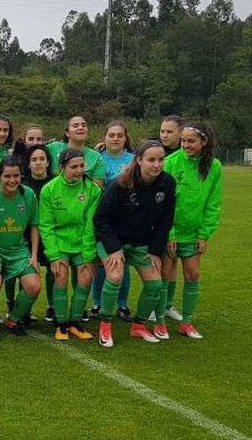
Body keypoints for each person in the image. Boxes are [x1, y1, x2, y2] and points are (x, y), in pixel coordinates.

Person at [94, 140, 176, 348]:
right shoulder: (121, 184)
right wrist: (113, 249)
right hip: (114, 240)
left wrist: (156, 251)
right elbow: (101, 219)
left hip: (142, 243)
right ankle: (105, 323)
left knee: (155, 284)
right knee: (115, 276)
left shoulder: (167, 183)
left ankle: (138, 326)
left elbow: (165, 220)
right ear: (138, 160)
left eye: (160, 160)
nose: (156, 165)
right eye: (151, 160)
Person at [160, 125, 222, 339]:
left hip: (195, 233)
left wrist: (204, 234)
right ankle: (160, 320)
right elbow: (165, 204)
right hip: (171, 232)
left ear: (204, 142)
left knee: (193, 275)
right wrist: (170, 233)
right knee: (166, 274)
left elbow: (213, 203)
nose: (185, 145)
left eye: (191, 141)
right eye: (183, 140)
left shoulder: (214, 167)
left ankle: (187, 322)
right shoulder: (170, 163)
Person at [38, 149, 101, 341]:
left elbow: (91, 225)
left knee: (85, 280)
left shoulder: (93, 190)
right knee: (61, 278)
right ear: (62, 167)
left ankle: (75, 323)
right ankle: (61, 324)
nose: (79, 170)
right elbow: (46, 225)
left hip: (83, 244)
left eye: (82, 166)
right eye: (74, 167)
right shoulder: (49, 189)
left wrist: (89, 255)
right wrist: (54, 255)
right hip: (59, 244)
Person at [0, 155, 41, 339]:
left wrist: (34, 256)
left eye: (16, 176)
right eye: (7, 176)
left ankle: (14, 319)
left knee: (34, 286)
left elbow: (34, 226)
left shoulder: (28, 195)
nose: (12, 180)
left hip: (19, 250)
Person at [91, 121, 135, 322]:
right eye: (112, 135)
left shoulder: (134, 160)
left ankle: (122, 304)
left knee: (122, 263)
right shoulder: (97, 159)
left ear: (126, 138)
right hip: (103, 219)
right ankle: (98, 303)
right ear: (105, 137)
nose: (116, 138)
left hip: (127, 221)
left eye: (119, 135)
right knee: (102, 263)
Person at [18, 144, 56, 323]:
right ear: (28, 163)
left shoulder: (56, 183)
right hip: (27, 235)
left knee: (53, 269)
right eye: (34, 159)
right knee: (26, 270)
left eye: (42, 159)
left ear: (48, 162)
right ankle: (24, 310)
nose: (38, 163)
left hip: (51, 235)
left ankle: (53, 306)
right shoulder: (22, 186)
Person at [45, 116, 105, 188]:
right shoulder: (53, 148)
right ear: (67, 133)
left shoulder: (95, 156)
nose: (80, 128)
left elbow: (96, 189)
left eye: (84, 125)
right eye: (75, 126)